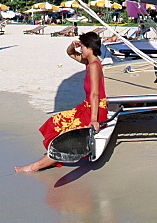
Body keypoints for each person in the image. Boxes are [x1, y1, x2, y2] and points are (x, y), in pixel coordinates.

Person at [15, 32, 107, 173]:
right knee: (56, 121)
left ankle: (35, 167)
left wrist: (94, 120)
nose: (80, 49)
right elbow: (70, 53)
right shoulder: (89, 61)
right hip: (87, 108)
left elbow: (95, 94)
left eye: (82, 46)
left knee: (66, 133)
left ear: (90, 48)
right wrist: (72, 46)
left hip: (95, 112)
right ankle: (52, 158)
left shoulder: (94, 65)